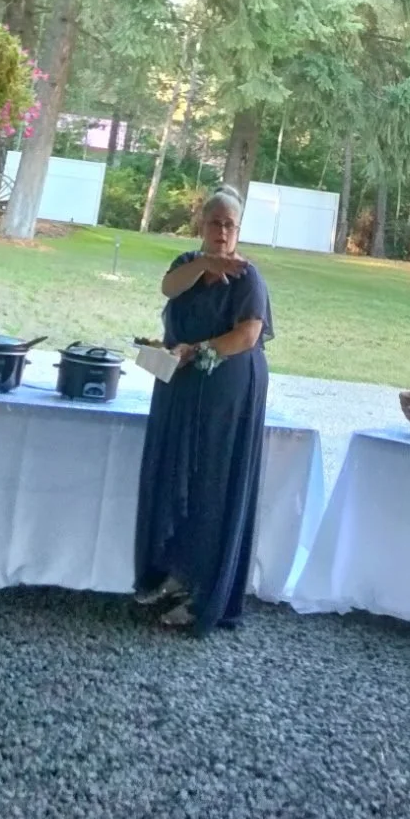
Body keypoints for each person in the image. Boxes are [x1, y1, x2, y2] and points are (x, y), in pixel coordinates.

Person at [133, 187, 273, 631]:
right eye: (216, 223)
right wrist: (206, 264)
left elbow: (248, 335)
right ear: (202, 226)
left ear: (238, 231)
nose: (222, 232)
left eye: (230, 225)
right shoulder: (185, 265)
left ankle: (205, 594)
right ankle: (173, 572)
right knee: (175, 473)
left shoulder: (248, 277)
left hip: (226, 392)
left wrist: (201, 348)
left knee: (212, 482)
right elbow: (169, 287)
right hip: (178, 384)